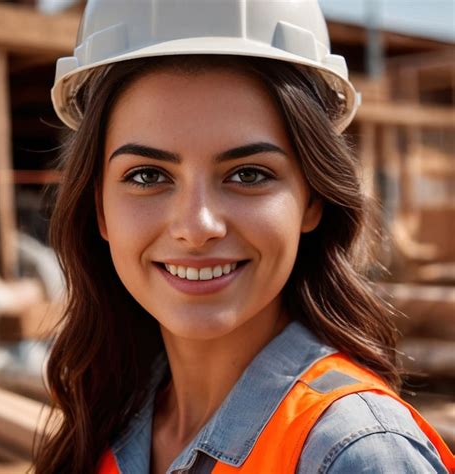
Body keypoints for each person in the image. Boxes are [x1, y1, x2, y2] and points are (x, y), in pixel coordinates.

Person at [33, 1, 454, 473]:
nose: (196, 227)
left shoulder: (357, 454)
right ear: (100, 211)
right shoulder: (112, 419)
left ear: (311, 199)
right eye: (149, 176)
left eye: (249, 174)